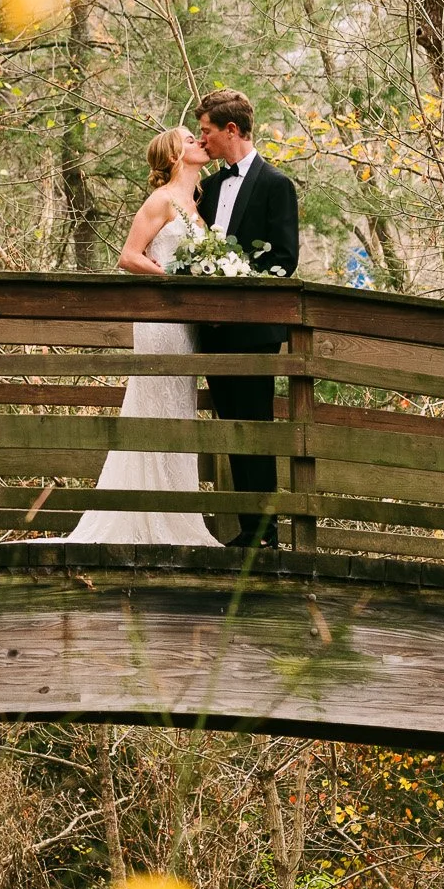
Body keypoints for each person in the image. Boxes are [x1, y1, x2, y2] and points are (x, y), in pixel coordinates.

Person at [54, 127, 224, 547]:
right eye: (189, 140)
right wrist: (171, 280)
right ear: (172, 156)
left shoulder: (196, 204)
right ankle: (145, 516)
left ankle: (176, 509)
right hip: (160, 321)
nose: (199, 142)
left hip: (186, 326)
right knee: (155, 402)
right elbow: (128, 256)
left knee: (178, 406)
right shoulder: (162, 200)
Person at [190, 89, 300, 548]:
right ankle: (246, 531)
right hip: (214, 332)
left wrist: (237, 275)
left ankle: (266, 533)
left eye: (207, 131)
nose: (204, 140)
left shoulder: (277, 185)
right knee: (231, 425)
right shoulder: (210, 188)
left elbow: (285, 259)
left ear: (230, 130)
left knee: (255, 426)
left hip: (255, 331)